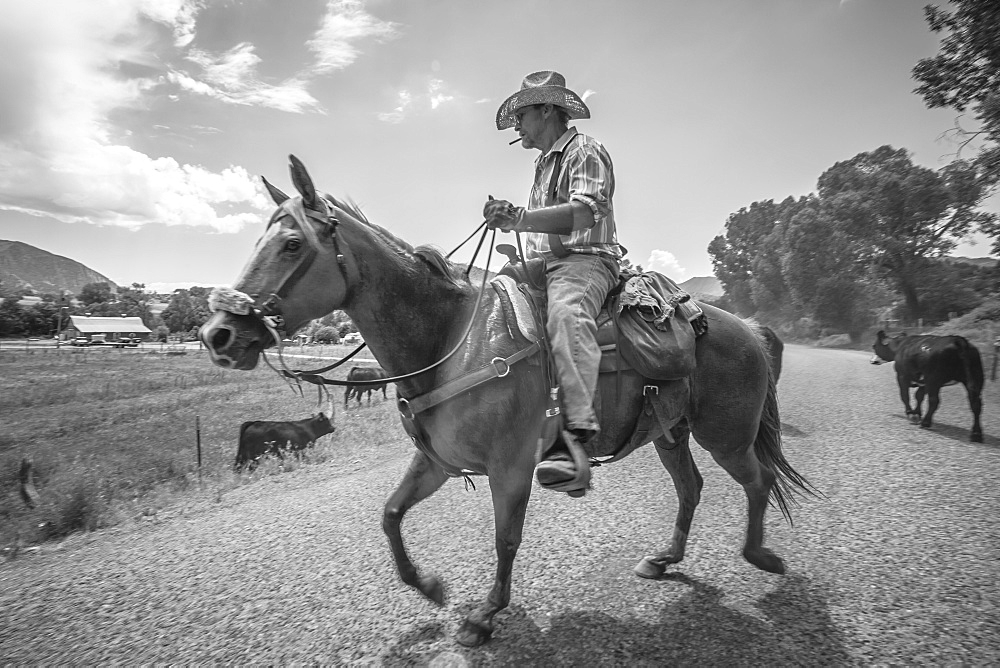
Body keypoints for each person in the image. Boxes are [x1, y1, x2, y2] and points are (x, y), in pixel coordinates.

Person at [484, 70, 623, 496]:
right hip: (546, 264)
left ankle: (574, 440)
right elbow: (542, 228)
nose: (517, 126)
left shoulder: (584, 150)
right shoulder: (544, 163)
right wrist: (514, 226)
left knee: (566, 314)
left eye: (521, 115)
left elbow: (584, 212)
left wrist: (520, 219)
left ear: (547, 110)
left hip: (585, 262)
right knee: (486, 300)